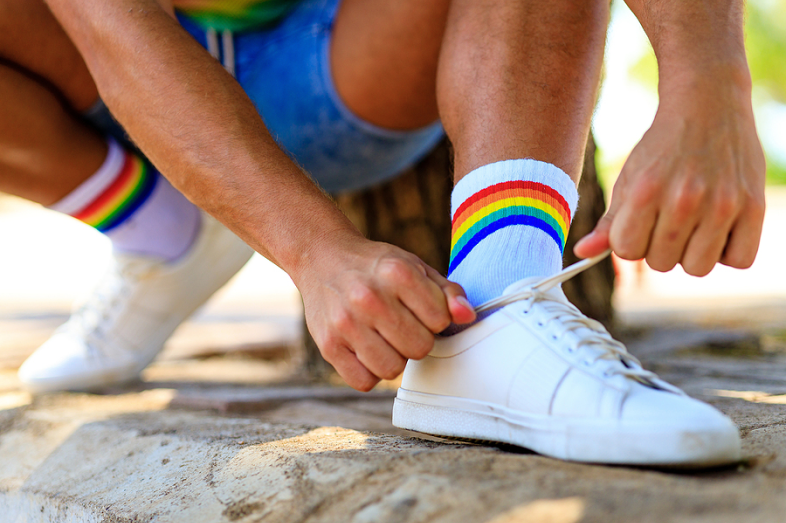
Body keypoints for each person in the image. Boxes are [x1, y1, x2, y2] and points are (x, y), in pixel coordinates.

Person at [0, 0, 764, 465]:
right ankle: (160, 228)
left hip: (341, 64)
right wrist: (314, 253)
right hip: (110, 79)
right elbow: (115, 34)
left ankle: (502, 293)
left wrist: (706, 81)